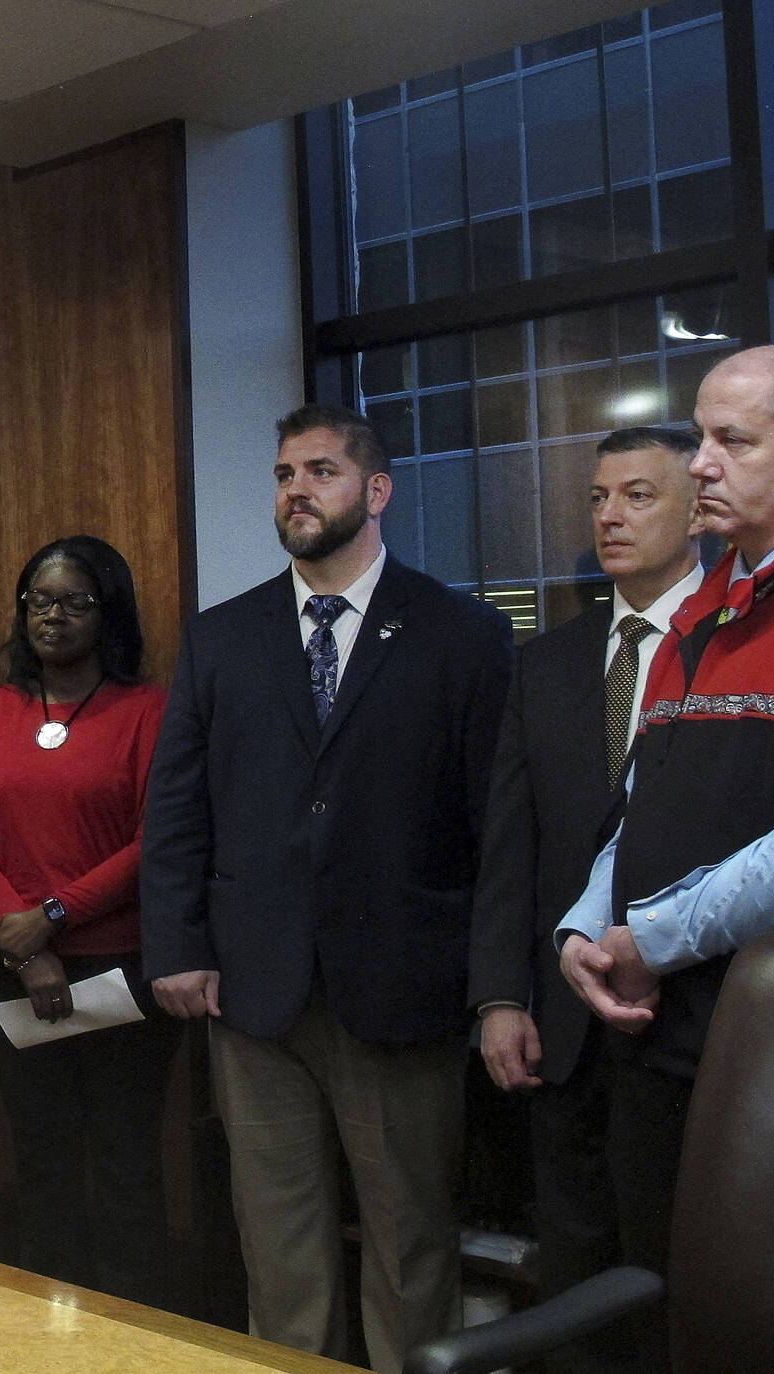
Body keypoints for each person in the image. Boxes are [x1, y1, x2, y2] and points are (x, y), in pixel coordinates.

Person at [139, 404, 513, 1373]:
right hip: (252, 990)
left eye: (318, 471)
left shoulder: (460, 632)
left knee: (408, 1245)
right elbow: (177, 808)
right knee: (279, 1247)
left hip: (402, 985)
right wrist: (175, 945)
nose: (293, 490)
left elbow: (496, 829)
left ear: (375, 491)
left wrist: (491, 984)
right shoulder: (221, 637)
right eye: (280, 474)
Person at [555, 346, 774, 1369]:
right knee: (652, 1304)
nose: (699, 462)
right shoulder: (698, 609)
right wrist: (581, 922)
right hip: (651, 1032)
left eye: (731, 440)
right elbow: (636, 806)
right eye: (698, 436)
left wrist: (647, 934)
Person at [466, 426, 701, 1374]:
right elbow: (510, 846)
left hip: (685, 1012)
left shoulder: (727, 650)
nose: (609, 515)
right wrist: (500, 998)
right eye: (600, 497)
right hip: (559, 1026)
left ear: (699, 508)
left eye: (639, 496)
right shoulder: (548, 663)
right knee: (571, 1278)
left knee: (676, 1271)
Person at [0, 535, 181, 1304]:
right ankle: (48, 1332)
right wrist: (25, 946)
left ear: (108, 612)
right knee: (41, 1164)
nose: (54, 616)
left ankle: (131, 1336)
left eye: (76, 602)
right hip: (18, 971)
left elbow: (156, 841)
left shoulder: (145, 709)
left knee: (125, 1166)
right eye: (40, 601)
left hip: (120, 973)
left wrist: (50, 916)